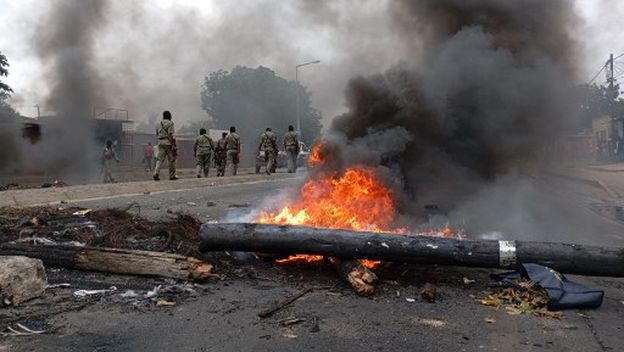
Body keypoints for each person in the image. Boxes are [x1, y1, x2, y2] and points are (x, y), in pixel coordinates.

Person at [153, 110, 178, 181]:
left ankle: (156, 173)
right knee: (171, 160)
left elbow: (157, 134)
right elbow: (170, 135)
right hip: (168, 143)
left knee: (159, 160)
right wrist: (173, 145)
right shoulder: (170, 123)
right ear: (169, 116)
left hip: (160, 143)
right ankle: (172, 176)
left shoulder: (158, 124)